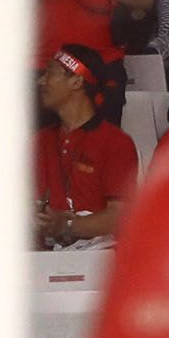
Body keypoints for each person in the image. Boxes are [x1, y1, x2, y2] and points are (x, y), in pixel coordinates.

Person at [35, 47, 137, 248]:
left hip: (99, 258)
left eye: (51, 73)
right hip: (42, 257)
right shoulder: (38, 142)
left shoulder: (115, 142)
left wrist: (66, 225)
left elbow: (119, 216)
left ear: (77, 81)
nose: (41, 81)